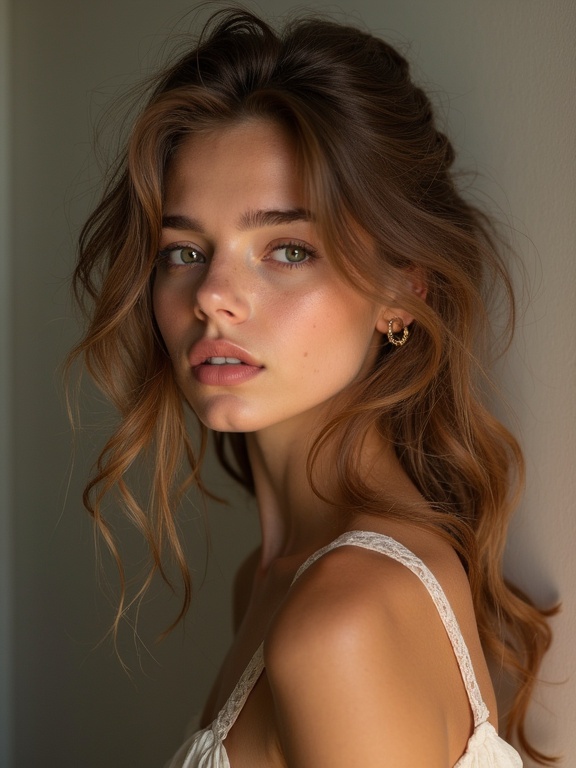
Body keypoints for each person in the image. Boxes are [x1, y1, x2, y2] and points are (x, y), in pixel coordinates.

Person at [68, 8, 556, 767]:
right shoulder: (279, 581)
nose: (212, 296)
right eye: (184, 251)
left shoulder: (342, 617)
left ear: (403, 291)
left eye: (287, 249)